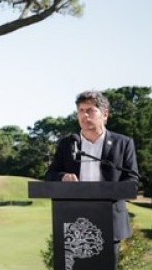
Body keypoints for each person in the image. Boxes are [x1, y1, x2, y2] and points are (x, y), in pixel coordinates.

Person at [45, 90, 139, 249]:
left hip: (110, 221)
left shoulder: (123, 143)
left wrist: (106, 191)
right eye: (81, 111)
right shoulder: (68, 144)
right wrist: (63, 177)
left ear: (105, 115)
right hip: (73, 222)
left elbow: (132, 181)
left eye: (90, 110)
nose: (85, 115)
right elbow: (50, 176)